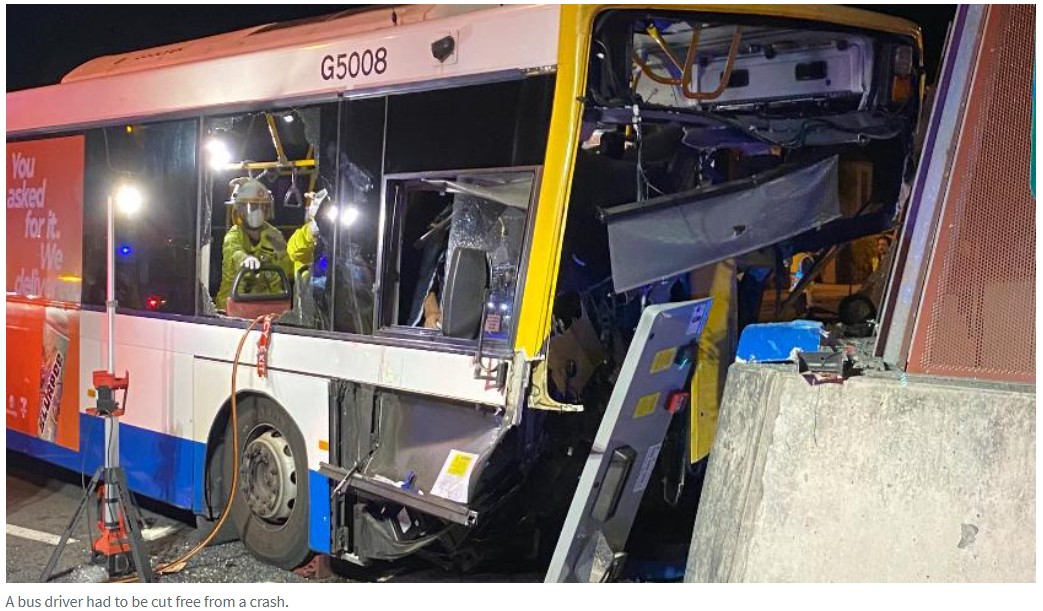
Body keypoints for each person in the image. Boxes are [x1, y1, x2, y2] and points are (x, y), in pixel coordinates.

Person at [215, 177, 293, 311]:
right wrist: (245, 259)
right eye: (252, 207)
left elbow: (287, 266)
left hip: (269, 305)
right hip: (234, 306)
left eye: (262, 207)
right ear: (240, 210)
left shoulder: (274, 236)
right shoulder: (234, 235)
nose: (258, 211)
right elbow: (233, 252)